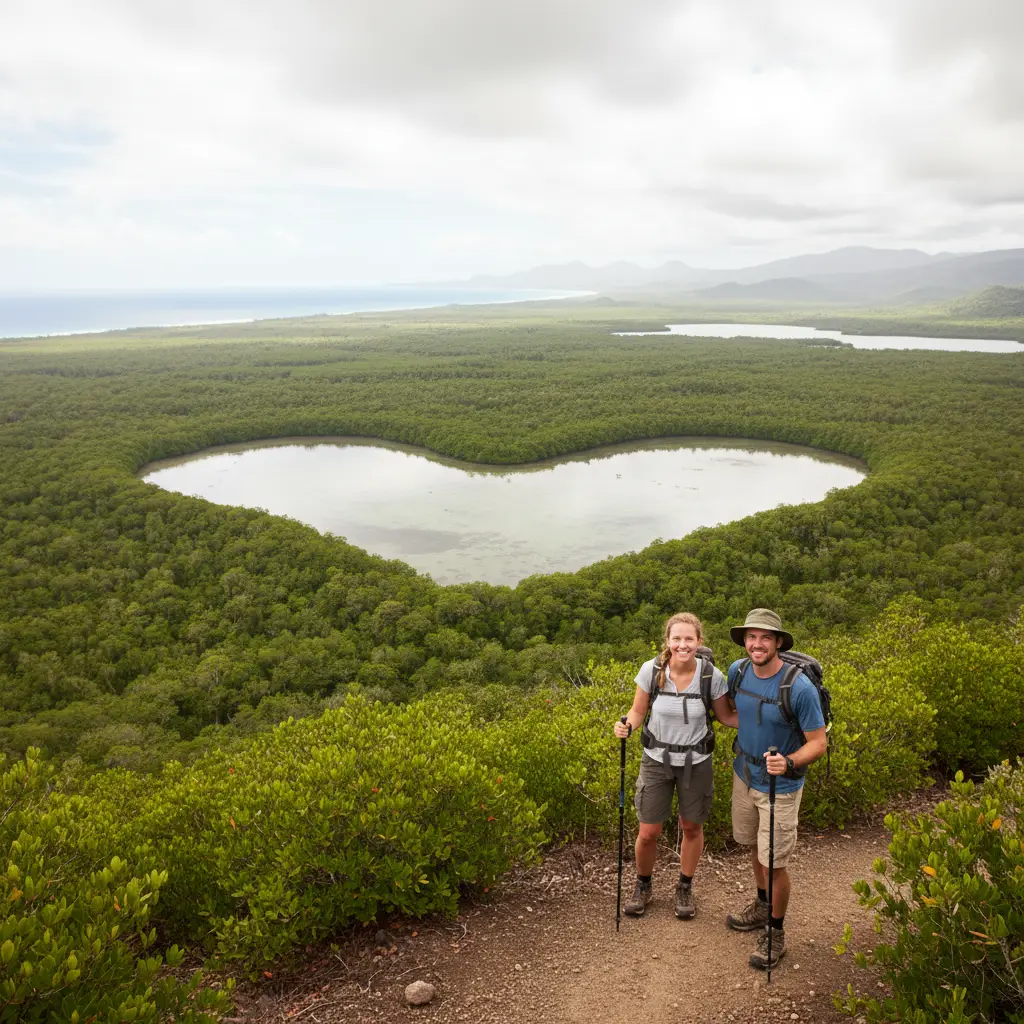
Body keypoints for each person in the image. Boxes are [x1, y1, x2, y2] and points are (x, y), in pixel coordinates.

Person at [613, 612, 736, 920]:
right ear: (667, 641)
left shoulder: (711, 676)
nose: (683, 645)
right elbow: (638, 710)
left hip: (697, 761)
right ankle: (643, 885)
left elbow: (726, 717)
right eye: (677, 639)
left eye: (689, 639)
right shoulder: (652, 670)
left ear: (699, 641)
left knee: (692, 826)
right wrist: (626, 724)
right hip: (656, 759)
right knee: (649, 830)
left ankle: (684, 886)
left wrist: (771, 721)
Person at [725, 608, 827, 970]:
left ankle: (776, 932)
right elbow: (731, 713)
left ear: (778, 642)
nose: (757, 644)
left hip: (779, 785)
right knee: (755, 846)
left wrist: (789, 762)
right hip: (744, 773)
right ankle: (762, 904)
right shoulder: (737, 671)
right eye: (751, 637)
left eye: (765, 637)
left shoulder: (797, 687)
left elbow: (818, 742)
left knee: (775, 862)